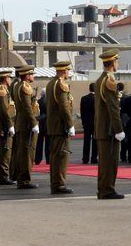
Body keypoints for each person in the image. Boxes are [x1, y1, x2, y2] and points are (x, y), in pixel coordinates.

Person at [94, 49, 125, 199]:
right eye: (117, 61)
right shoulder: (109, 80)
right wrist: (119, 129)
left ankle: (104, 189)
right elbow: (113, 108)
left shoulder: (100, 79)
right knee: (110, 162)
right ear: (113, 62)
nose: (117, 63)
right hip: (109, 129)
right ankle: (107, 190)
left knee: (105, 162)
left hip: (102, 127)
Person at [46, 61, 75, 194]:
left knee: (55, 156)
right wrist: (70, 124)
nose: (68, 73)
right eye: (68, 70)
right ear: (64, 71)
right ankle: (59, 184)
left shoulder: (51, 83)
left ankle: (56, 183)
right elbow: (64, 107)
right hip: (60, 126)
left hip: (54, 125)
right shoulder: (61, 84)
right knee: (61, 156)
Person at [12, 65, 40, 189]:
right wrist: (34, 123)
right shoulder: (25, 87)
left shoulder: (17, 85)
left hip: (21, 123)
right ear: (27, 75)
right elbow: (27, 108)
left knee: (22, 152)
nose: (33, 76)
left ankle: (21, 178)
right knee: (27, 153)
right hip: (27, 124)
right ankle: (24, 180)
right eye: (32, 74)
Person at [0, 70, 16, 186]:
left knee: (0, 153)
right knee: (5, 153)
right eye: (10, 78)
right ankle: (3, 177)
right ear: (6, 78)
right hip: (3, 128)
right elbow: (4, 111)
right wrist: (10, 126)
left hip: (1, 127)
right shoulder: (2, 91)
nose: (10, 80)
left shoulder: (3, 90)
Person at [80, 83, 98, 164]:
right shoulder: (98, 99)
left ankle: (85, 158)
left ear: (89, 88)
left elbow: (82, 112)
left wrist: (83, 122)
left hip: (87, 122)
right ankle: (94, 158)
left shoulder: (84, 98)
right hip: (95, 122)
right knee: (95, 141)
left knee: (86, 141)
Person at [34, 89, 50, 165]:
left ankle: (37, 159)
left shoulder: (38, 101)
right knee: (48, 143)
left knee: (39, 143)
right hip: (47, 124)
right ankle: (48, 159)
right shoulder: (49, 101)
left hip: (40, 123)